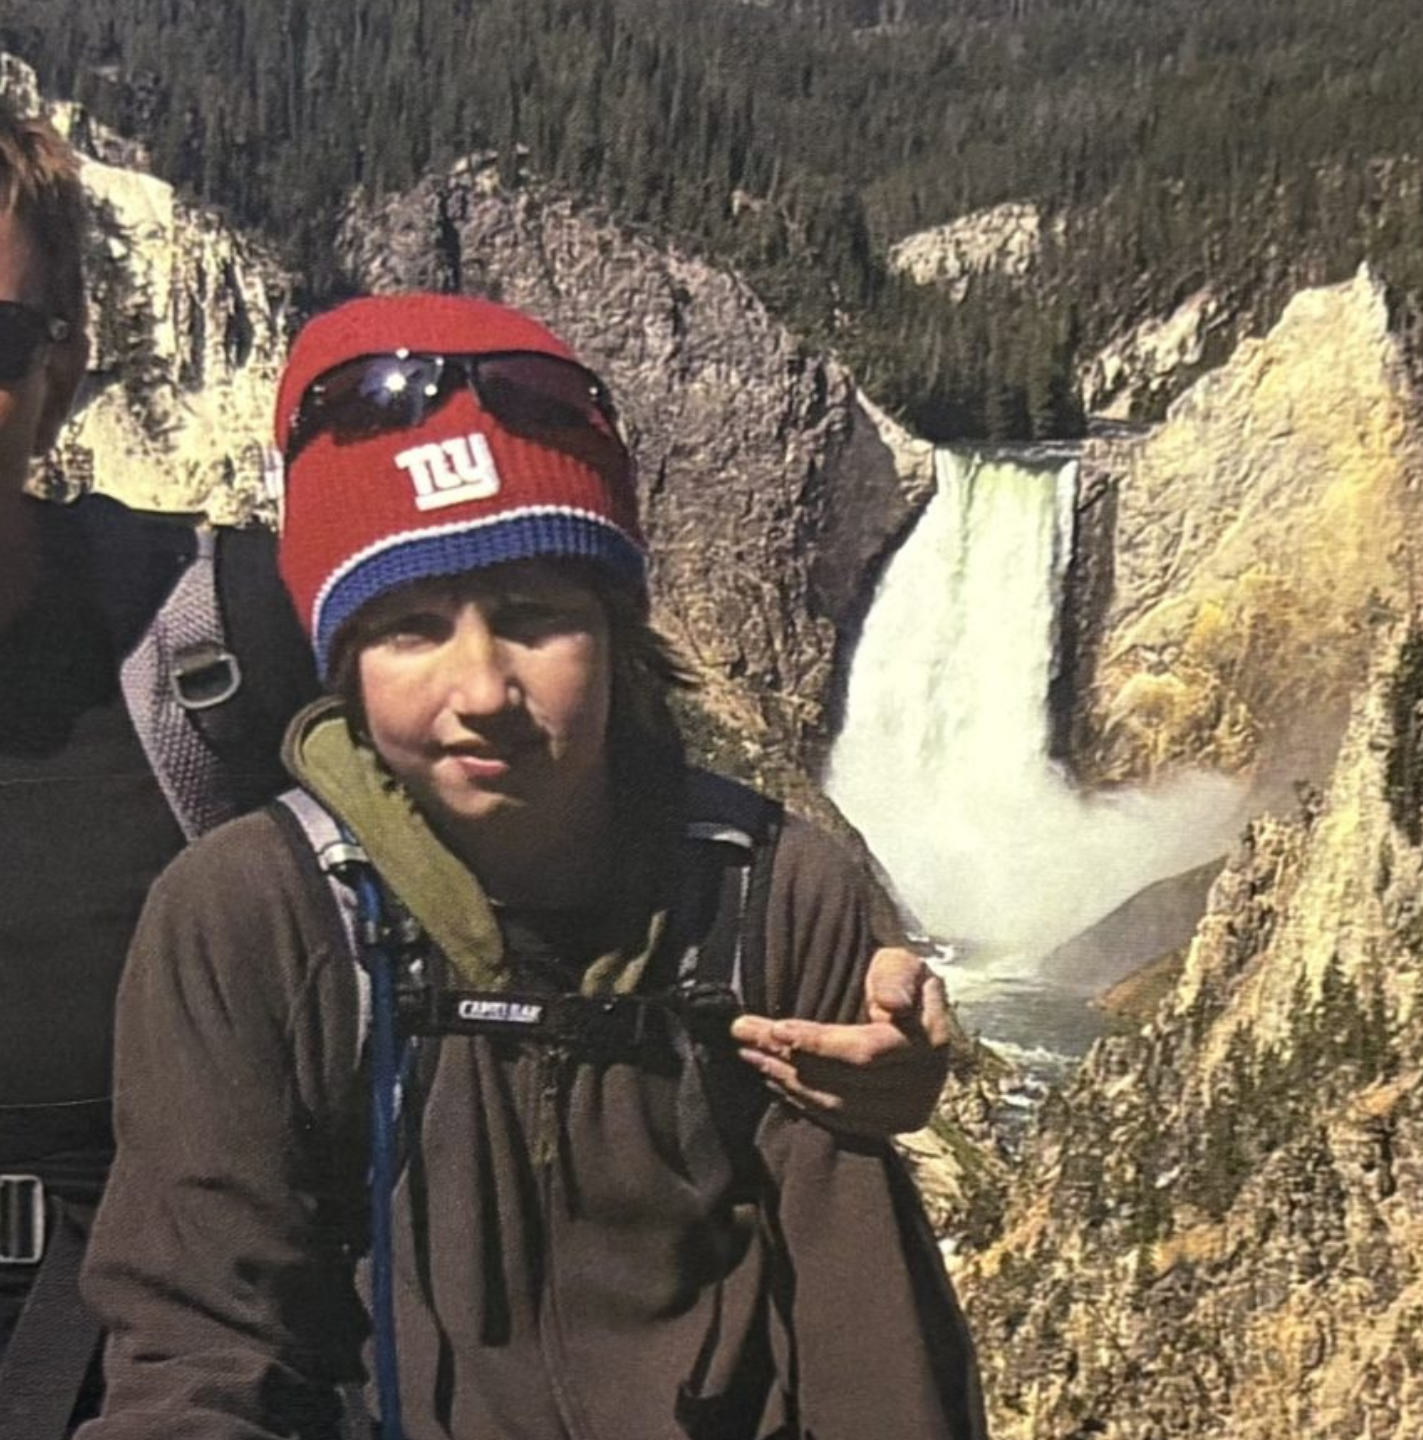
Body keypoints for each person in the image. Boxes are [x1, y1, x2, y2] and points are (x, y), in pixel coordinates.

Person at [0, 76, 952, 1440]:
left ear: (60, 370)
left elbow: (575, 814)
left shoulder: (222, 633)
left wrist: (848, 994)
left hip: (188, 1377)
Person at [79, 293, 986, 1439]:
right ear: (340, 663)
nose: (482, 692)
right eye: (409, 629)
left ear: (614, 631)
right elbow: (200, 1341)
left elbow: (868, 1343)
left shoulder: (771, 896)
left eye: (532, 617)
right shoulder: (250, 915)